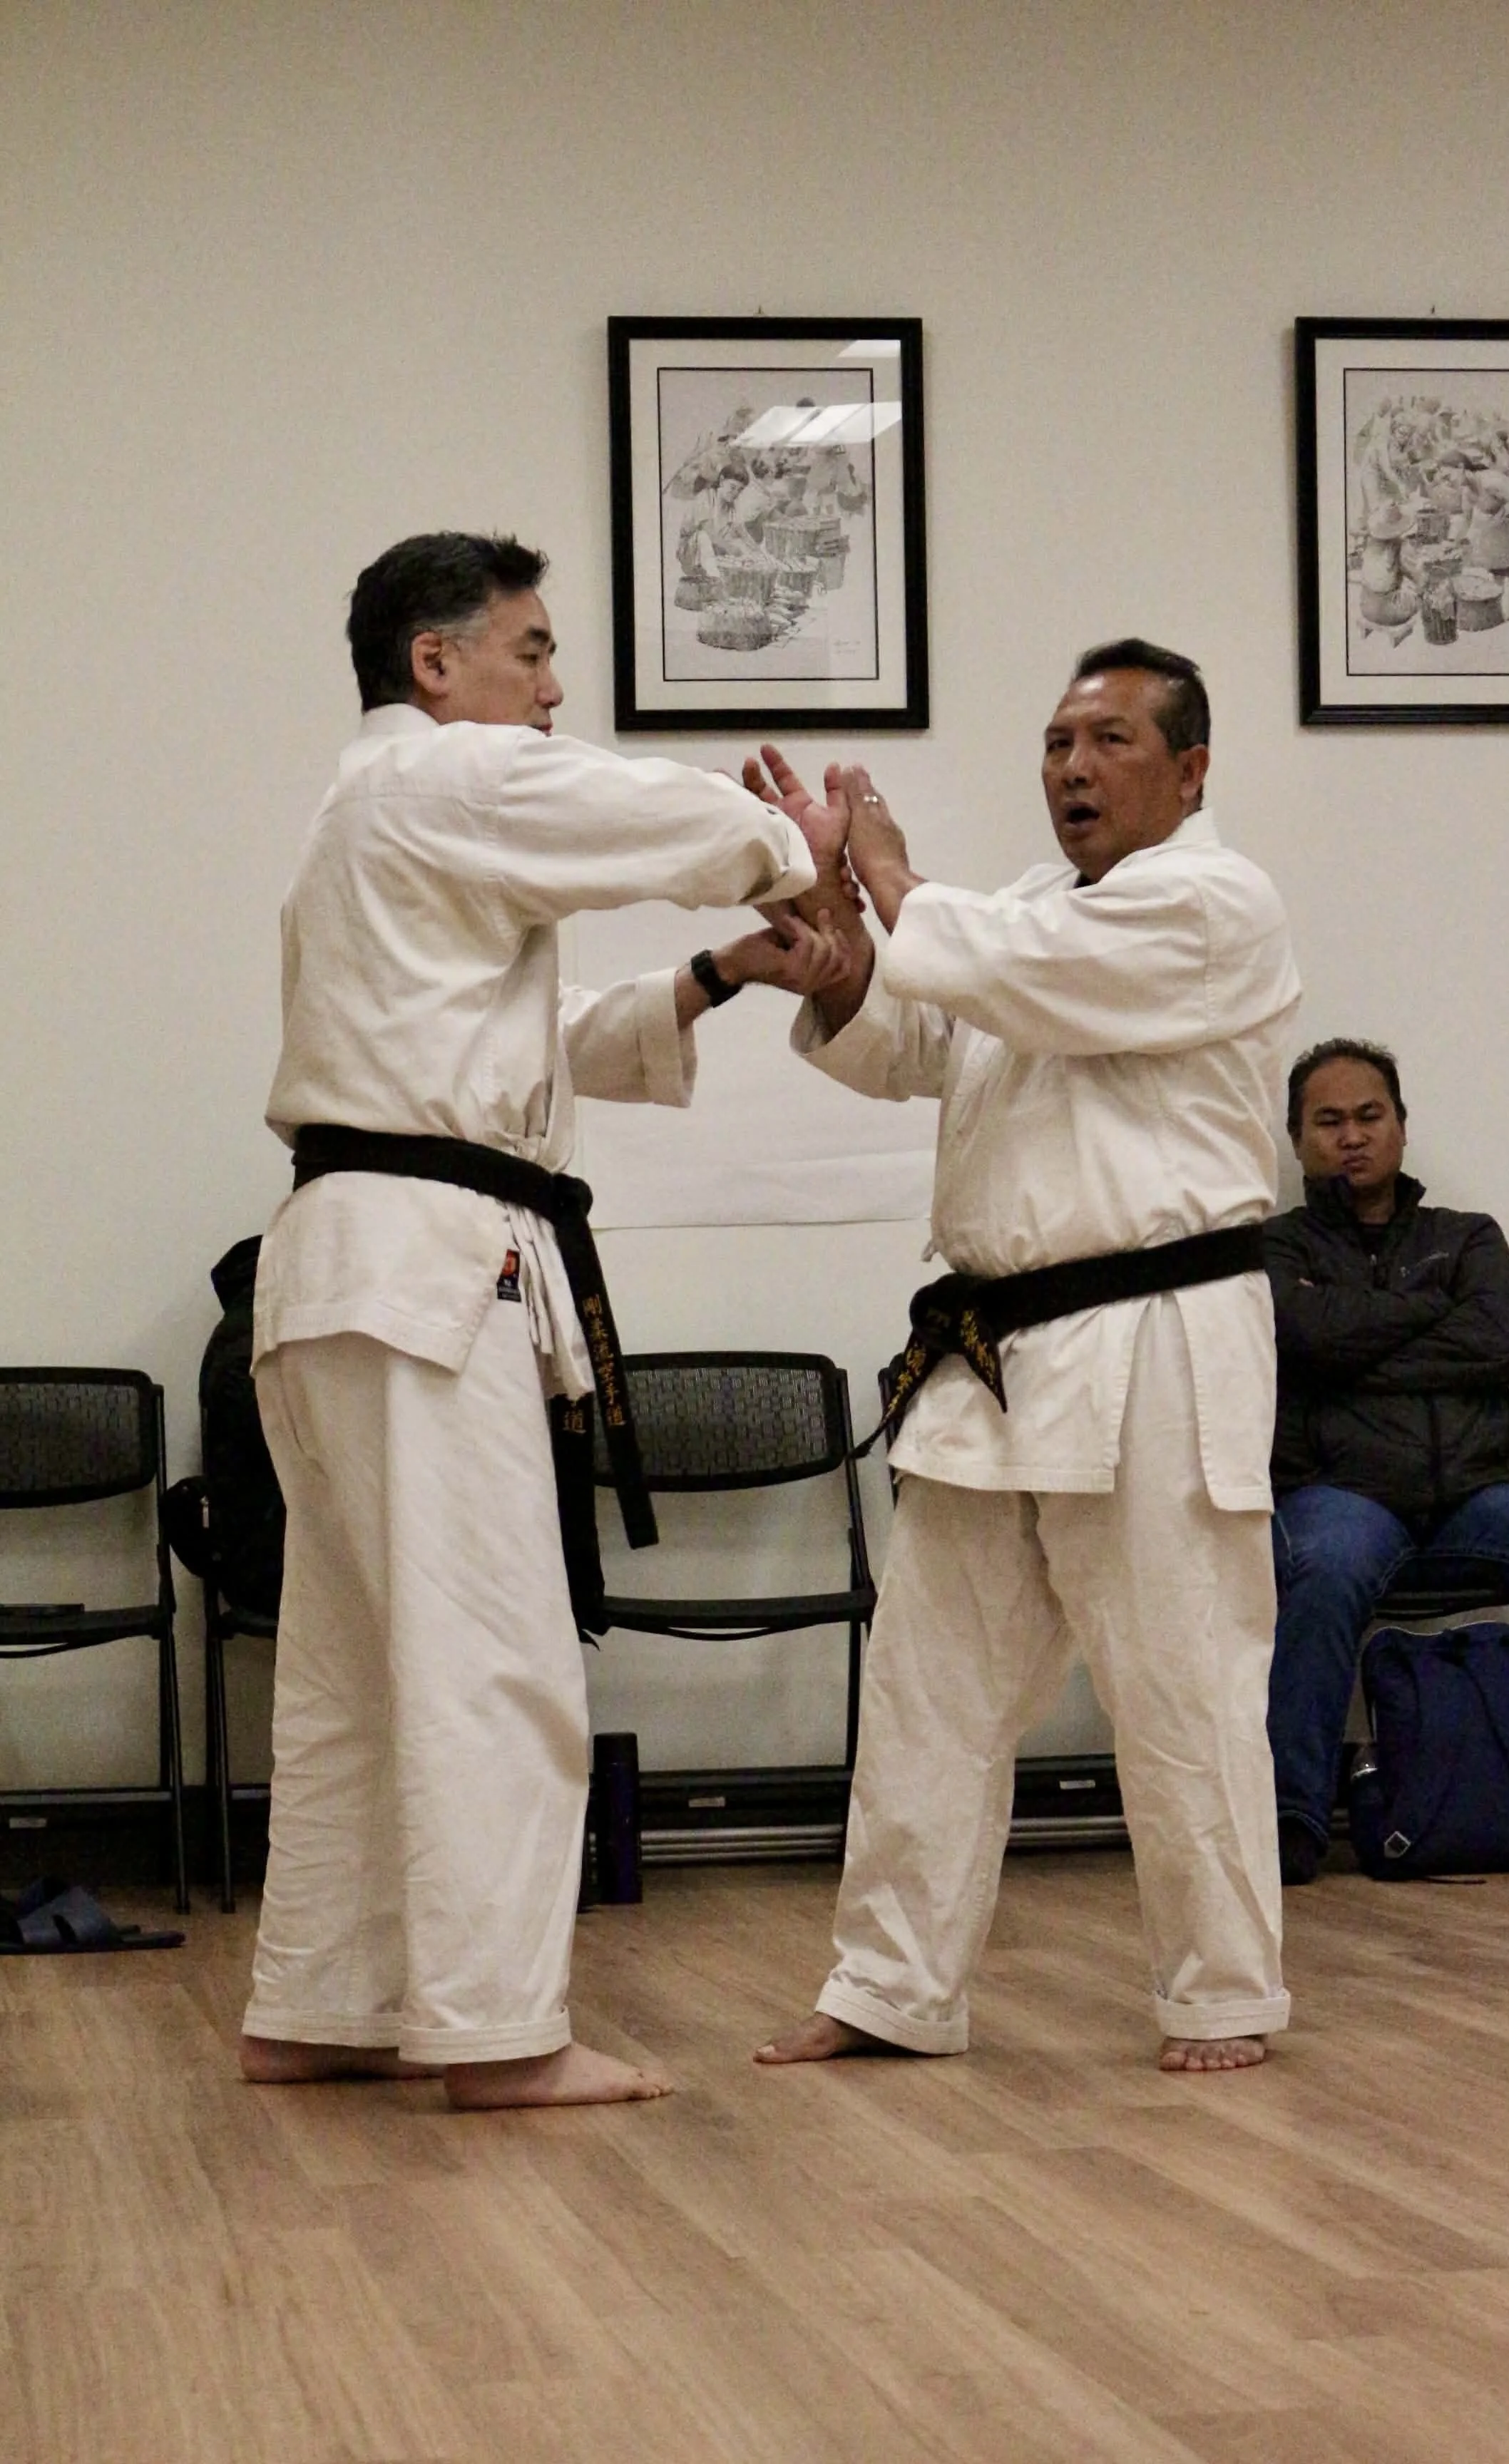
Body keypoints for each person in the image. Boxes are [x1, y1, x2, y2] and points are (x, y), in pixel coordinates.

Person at [241, 530, 844, 2109]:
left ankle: (321, 2000)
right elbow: (643, 812)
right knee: (495, 1661)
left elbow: (512, 1041)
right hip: (420, 1273)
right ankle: (502, 2034)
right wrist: (787, 840)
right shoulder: (440, 779)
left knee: (359, 1676)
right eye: (530, 649)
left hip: (349, 1269)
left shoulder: (365, 812)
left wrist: (716, 973)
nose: (556, 686)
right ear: (435, 663)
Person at [747, 640, 1303, 2073]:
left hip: (1160, 1339)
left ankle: (1223, 1989)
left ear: (1190, 769)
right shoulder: (1029, 915)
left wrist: (897, 879)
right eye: (1058, 740)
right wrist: (836, 953)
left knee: (1180, 1683)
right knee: (928, 1686)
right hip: (994, 1348)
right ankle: (889, 1988)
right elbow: (917, 1042)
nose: (1070, 766)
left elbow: (1014, 973)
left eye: (1109, 740)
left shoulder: (1216, 904)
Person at [1265, 1040, 1509, 1884]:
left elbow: (1498, 1341)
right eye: (1329, 1121)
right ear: (1297, 1139)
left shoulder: (1467, 1237)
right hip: (1342, 1494)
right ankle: (1293, 1817)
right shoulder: (1278, 1249)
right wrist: (1427, 1311)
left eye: (1369, 1116)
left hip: (1472, 1496)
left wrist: (1355, 1340)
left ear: (1400, 1126)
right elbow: (1303, 1337)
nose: (1352, 1135)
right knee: (1321, 1568)